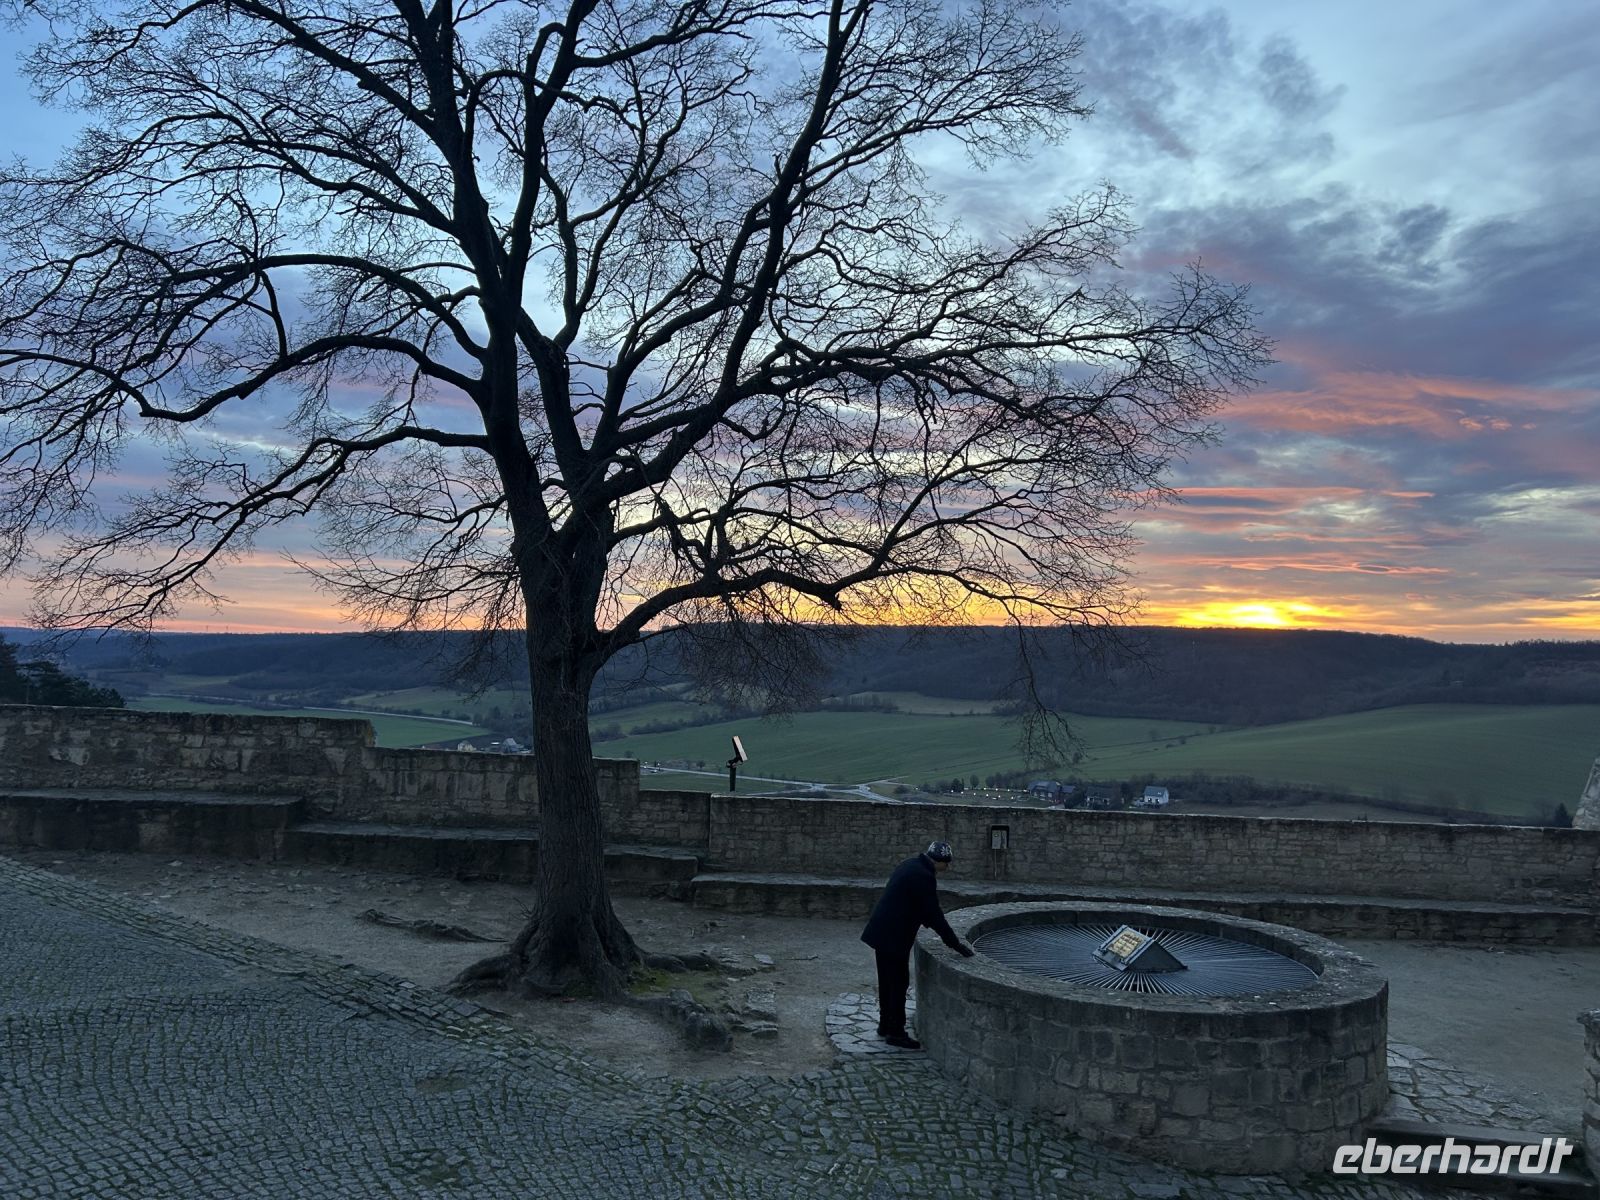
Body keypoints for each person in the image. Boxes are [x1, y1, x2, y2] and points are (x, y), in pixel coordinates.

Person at [860, 840, 975, 1050]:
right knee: (898, 984)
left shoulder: (910, 864)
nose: (947, 868)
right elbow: (933, 914)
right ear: (939, 861)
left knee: (886, 982)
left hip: (881, 931)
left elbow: (918, 907)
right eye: (946, 863)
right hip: (894, 936)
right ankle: (896, 1033)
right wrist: (954, 943)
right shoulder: (924, 876)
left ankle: (885, 1025)